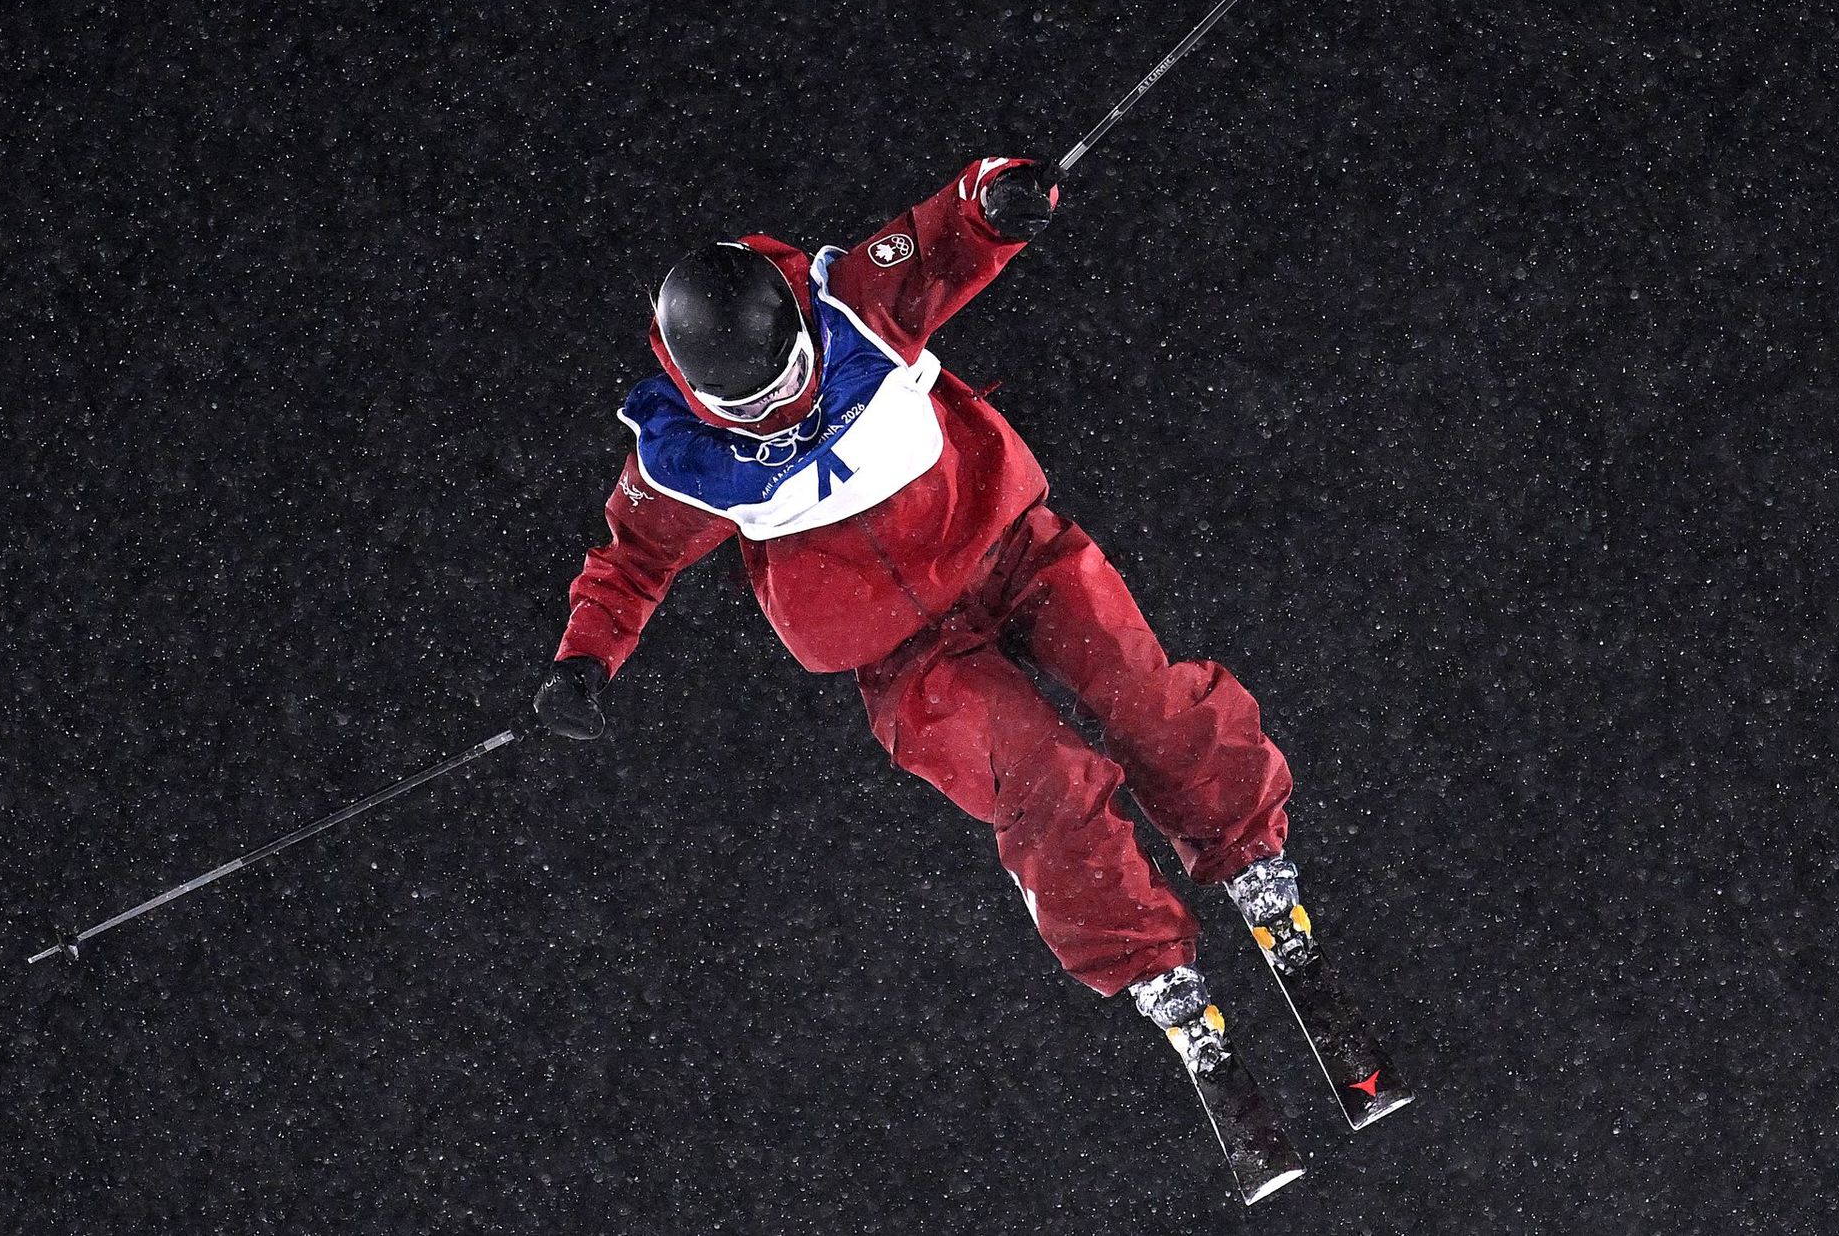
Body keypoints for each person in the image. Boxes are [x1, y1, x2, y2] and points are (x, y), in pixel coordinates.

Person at [533, 155, 1324, 1082]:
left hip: (1012, 550)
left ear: (797, 328)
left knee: (1143, 700)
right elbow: (632, 559)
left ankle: (1250, 860)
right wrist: (584, 661)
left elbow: (947, 232)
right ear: (700, 395)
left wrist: (999, 200)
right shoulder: (681, 461)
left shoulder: (856, 306)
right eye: (746, 409)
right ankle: (1155, 971)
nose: (783, 414)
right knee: (1041, 780)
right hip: (906, 656)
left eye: (789, 378)